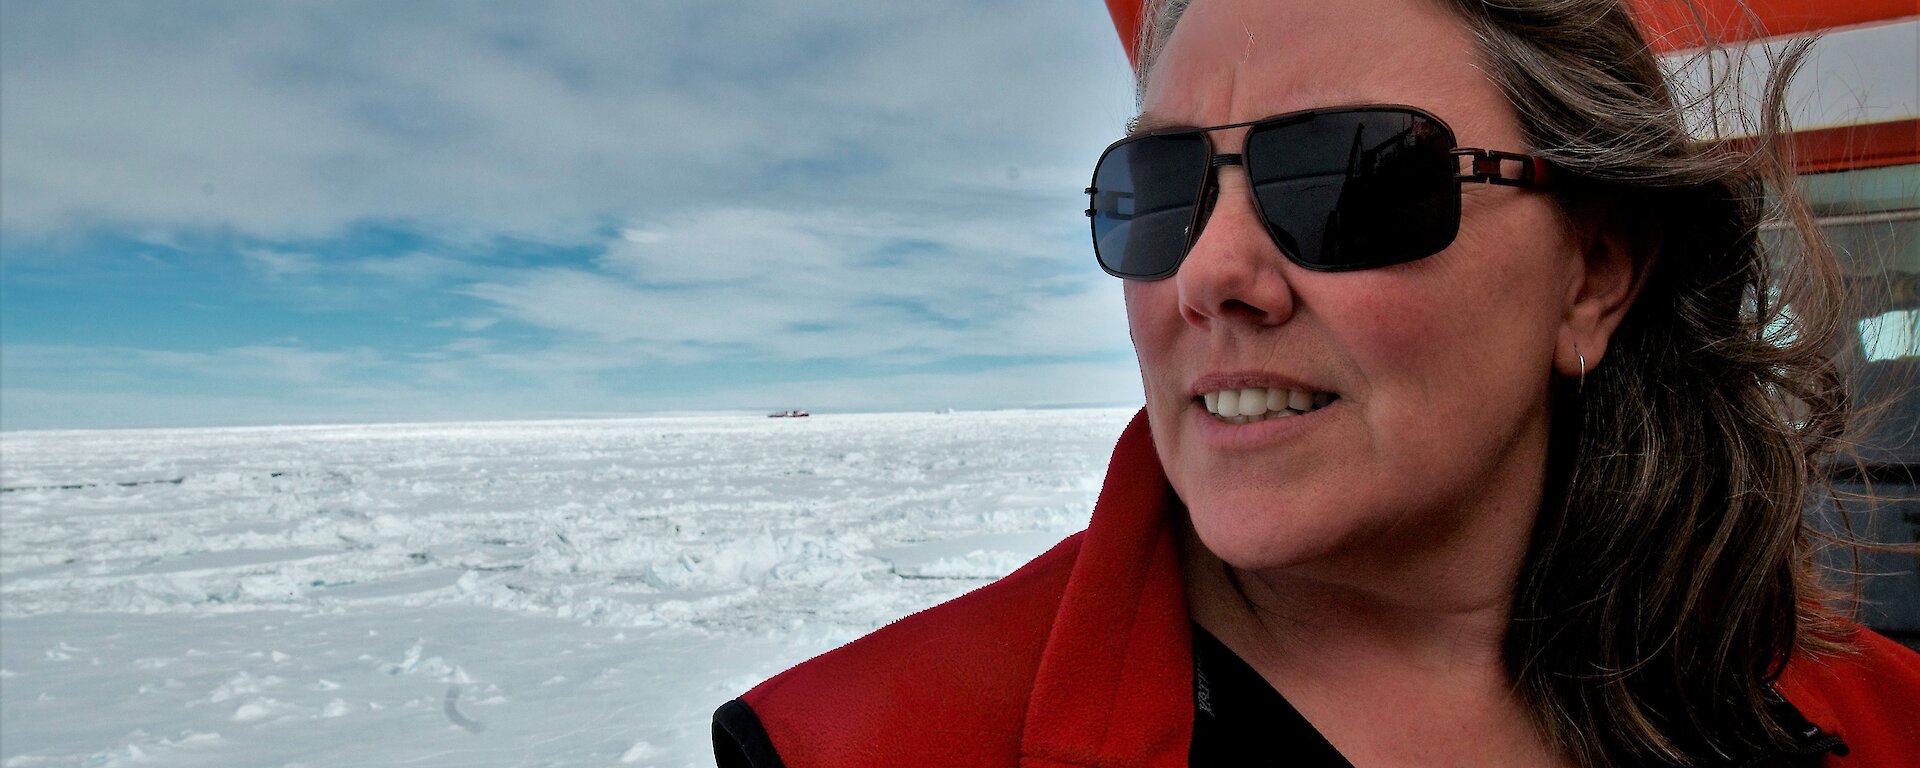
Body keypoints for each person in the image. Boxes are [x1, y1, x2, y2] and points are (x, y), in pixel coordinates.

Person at [712, 0, 1920, 765]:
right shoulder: (864, 745)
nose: (1210, 274)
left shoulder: (1873, 716)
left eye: (1347, 178)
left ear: (1593, 275)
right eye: (1158, 192)